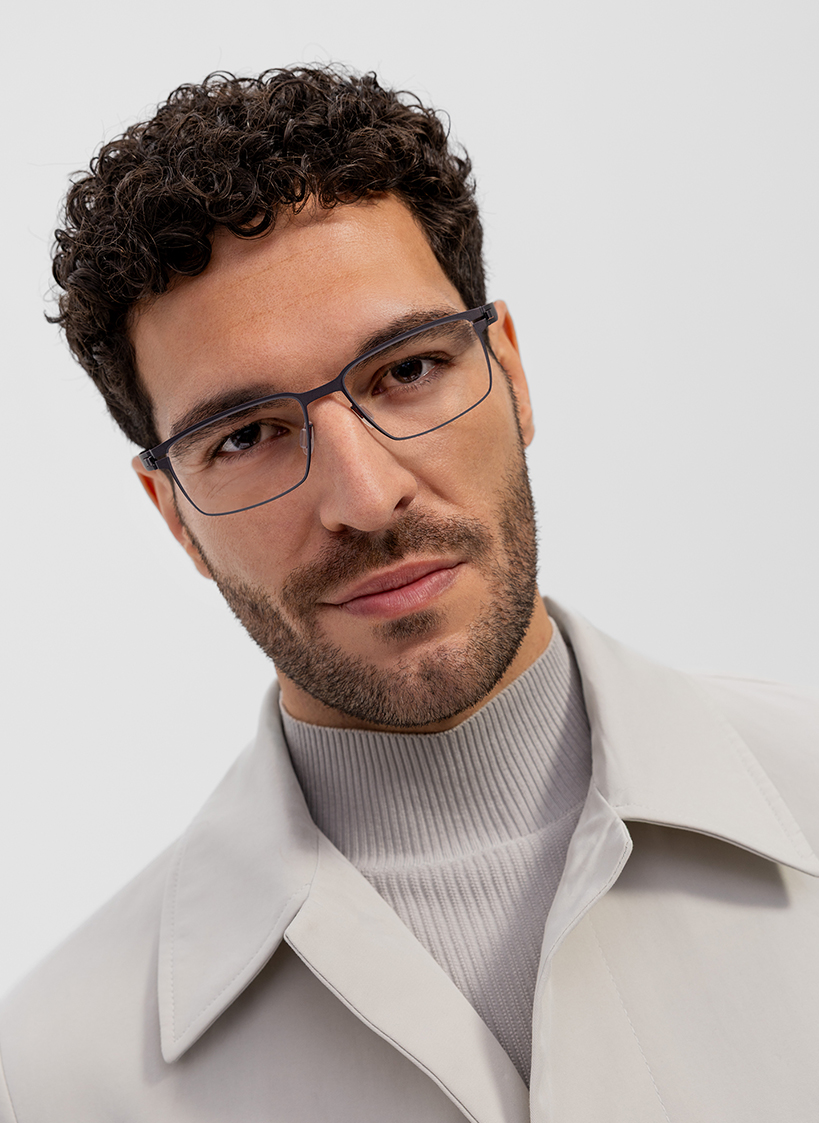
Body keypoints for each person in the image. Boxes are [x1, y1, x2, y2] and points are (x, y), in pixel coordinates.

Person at [1, 66, 817, 1123]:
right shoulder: (55, 1079)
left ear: (510, 373)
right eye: (246, 436)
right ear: (172, 514)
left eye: (407, 370)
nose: (367, 494)